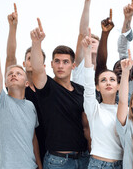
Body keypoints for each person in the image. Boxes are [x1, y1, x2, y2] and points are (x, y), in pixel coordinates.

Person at [30, 18, 90, 168]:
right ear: (51, 64)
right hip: (58, 161)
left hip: (83, 159)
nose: (61, 65)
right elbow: (37, 70)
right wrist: (36, 43)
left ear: (73, 66)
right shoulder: (47, 87)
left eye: (65, 62)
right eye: (57, 61)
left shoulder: (80, 90)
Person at [0, 13, 42, 169]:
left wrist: (39, 165)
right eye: (10, 74)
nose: (13, 75)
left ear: (26, 83)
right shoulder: (1, 101)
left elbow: (33, 139)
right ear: (5, 82)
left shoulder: (31, 106)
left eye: (18, 73)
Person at [4, 3, 48, 163]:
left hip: (50, 148)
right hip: (25, 149)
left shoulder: (47, 87)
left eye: (36, 58)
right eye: (29, 58)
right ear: (23, 63)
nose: (32, 62)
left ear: (43, 65)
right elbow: (10, 57)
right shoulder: (17, 88)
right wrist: (13, 27)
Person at [82, 29, 123, 169]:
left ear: (118, 86)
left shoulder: (125, 110)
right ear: (98, 87)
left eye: (112, 79)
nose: (108, 82)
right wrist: (87, 53)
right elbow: (87, 83)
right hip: (98, 164)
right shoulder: (94, 109)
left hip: (122, 164)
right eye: (103, 80)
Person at [73, 0, 100, 86]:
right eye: (89, 41)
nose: (90, 43)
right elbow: (83, 33)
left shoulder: (104, 69)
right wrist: (87, 1)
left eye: (93, 42)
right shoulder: (80, 64)